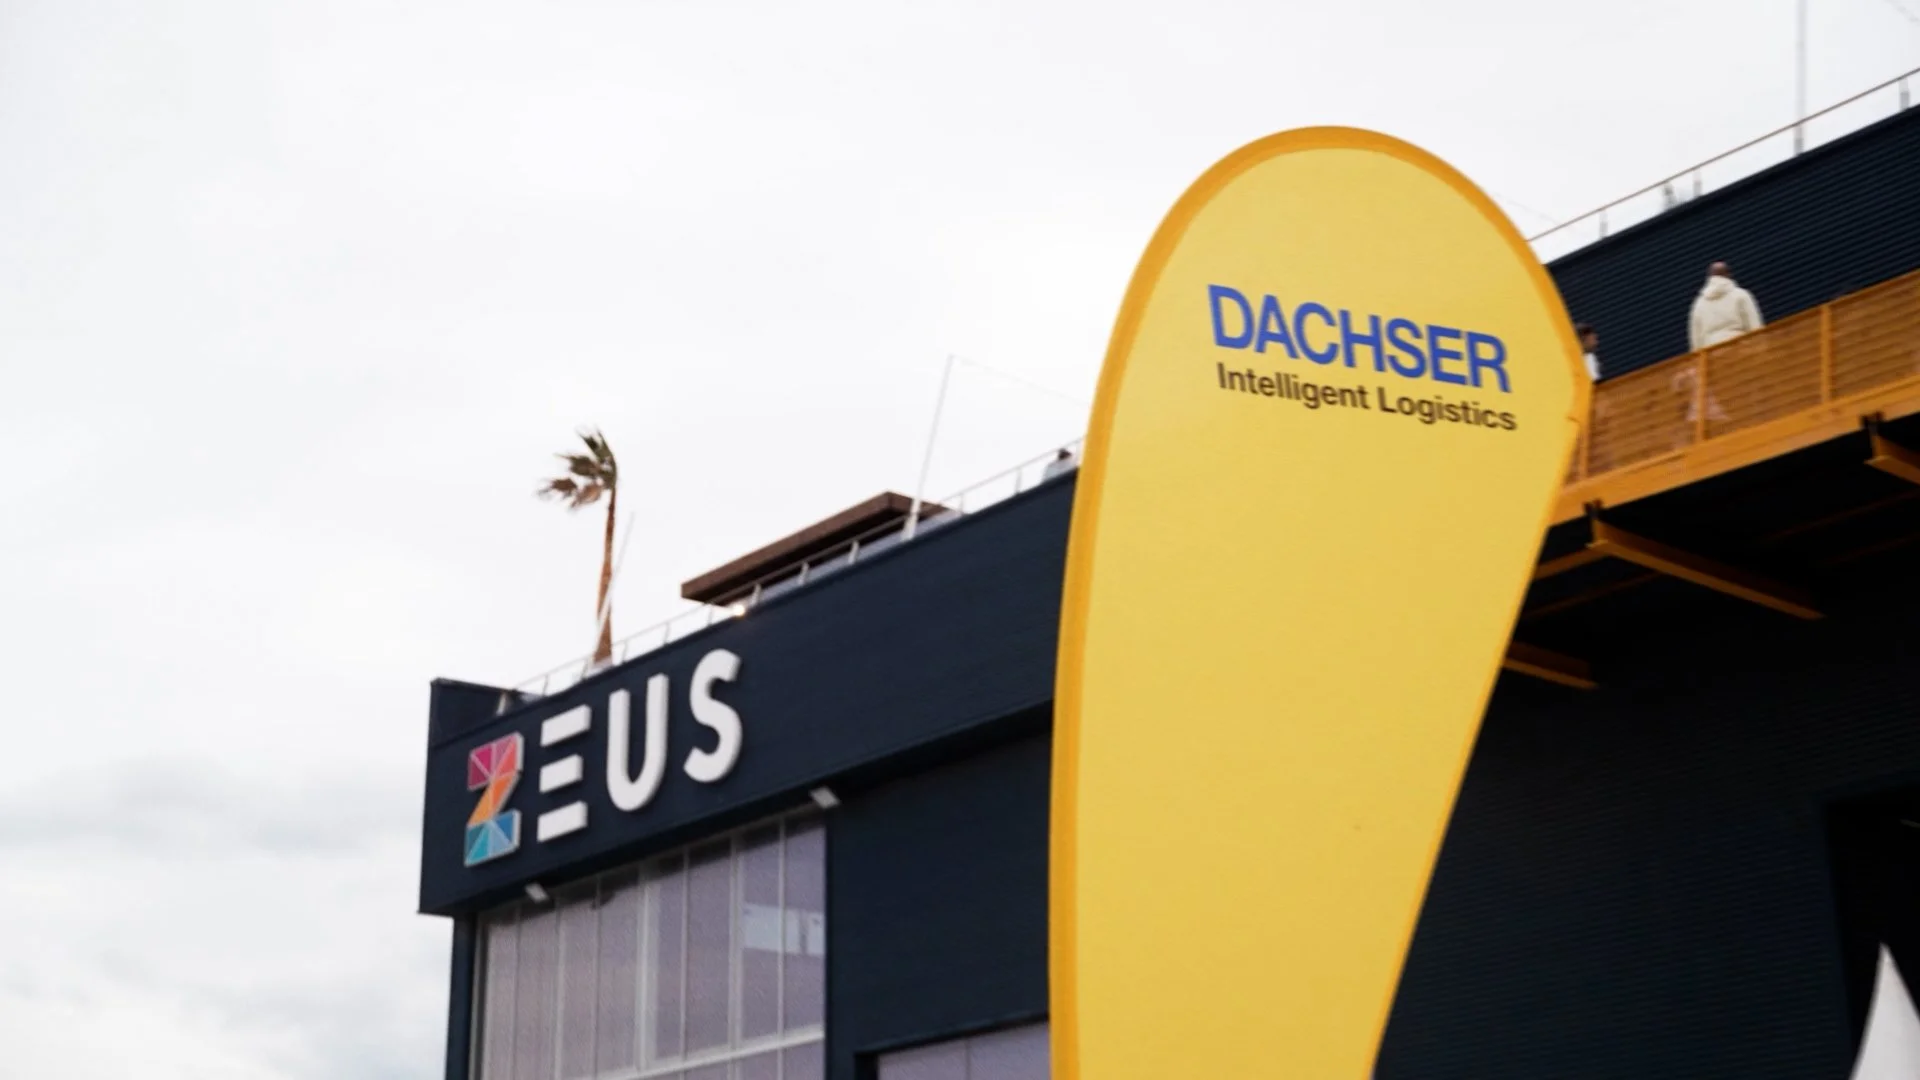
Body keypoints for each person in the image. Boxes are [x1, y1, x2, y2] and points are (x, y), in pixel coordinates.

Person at [1688, 261, 1764, 351]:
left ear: (1709, 277)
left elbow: (1696, 338)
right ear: (1729, 275)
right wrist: (1760, 348)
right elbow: (1754, 324)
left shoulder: (1699, 304)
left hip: (1711, 353)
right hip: (1739, 347)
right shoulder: (1741, 295)